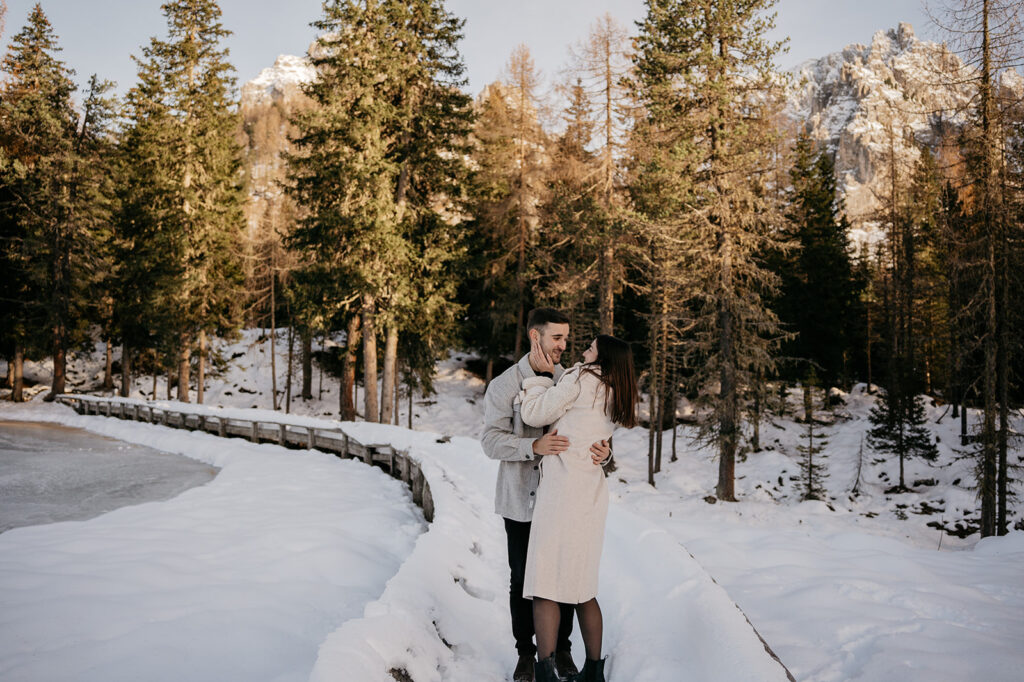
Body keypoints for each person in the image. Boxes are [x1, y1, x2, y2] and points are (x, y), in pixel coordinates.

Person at [482, 308, 612, 682]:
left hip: (565, 498)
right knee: (523, 579)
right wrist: (532, 446)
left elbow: (591, 429)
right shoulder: (506, 385)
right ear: (536, 337)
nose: (565, 345)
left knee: (565, 574)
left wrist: (605, 454)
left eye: (568, 338)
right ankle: (527, 654)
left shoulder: (571, 378)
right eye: (558, 338)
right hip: (522, 499)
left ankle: (563, 651)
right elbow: (490, 441)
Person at [519, 334, 638, 682]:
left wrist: (539, 377)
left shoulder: (580, 378)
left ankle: (544, 671)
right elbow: (596, 439)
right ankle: (595, 672)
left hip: (561, 493)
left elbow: (533, 411)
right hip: (590, 494)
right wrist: (607, 453)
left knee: (546, 585)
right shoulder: (618, 391)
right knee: (583, 587)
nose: (586, 347)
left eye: (592, 345)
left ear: (603, 356)